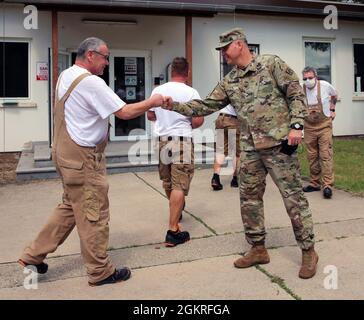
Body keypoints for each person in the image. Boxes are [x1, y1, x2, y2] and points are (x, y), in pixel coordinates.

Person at [163, 28, 318, 279]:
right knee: (249, 201)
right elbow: (206, 105)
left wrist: (297, 125)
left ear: (239, 45)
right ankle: (258, 248)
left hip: (279, 145)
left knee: (294, 200)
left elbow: (295, 92)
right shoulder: (230, 80)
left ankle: (309, 251)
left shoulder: (271, 64)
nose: (223, 53)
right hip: (249, 149)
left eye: (225, 48)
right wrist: (175, 106)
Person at [18, 37, 168, 286]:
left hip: (66, 155)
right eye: (105, 57)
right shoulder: (91, 83)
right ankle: (100, 272)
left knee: (70, 207)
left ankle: (32, 256)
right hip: (84, 159)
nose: (107, 63)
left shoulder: (67, 75)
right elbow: (125, 112)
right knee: (93, 212)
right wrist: (153, 102)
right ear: (90, 55)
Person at [147, 57, 204, 247]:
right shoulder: (191, 92)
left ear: (172, 72)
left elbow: (150, 114)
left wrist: (163, 118)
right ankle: (173, 229)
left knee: (168, 181)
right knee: (180, 183)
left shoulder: (158, 90)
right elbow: (197, 122)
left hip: (162, 141)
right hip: (182, 141)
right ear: (187, 73)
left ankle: (176, 210)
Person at [301, 67, 338, 199]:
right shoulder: (301, 90)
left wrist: (332, 109)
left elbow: (334, 95)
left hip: (324, 126)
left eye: (310, 78)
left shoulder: (325, 86)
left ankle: (327, 185)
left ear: (316, 77)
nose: (308, 81)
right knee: (312, 156)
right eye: (305, 78)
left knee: (325, 154)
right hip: (309, 127)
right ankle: (315, 183)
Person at [211, 104, 241, 191]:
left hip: (221, 119)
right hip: (232, 120)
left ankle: (215, 178)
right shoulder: (240, 90)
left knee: (220, 151)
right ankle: (235, 179)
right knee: (237, 152)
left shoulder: (226, 89)